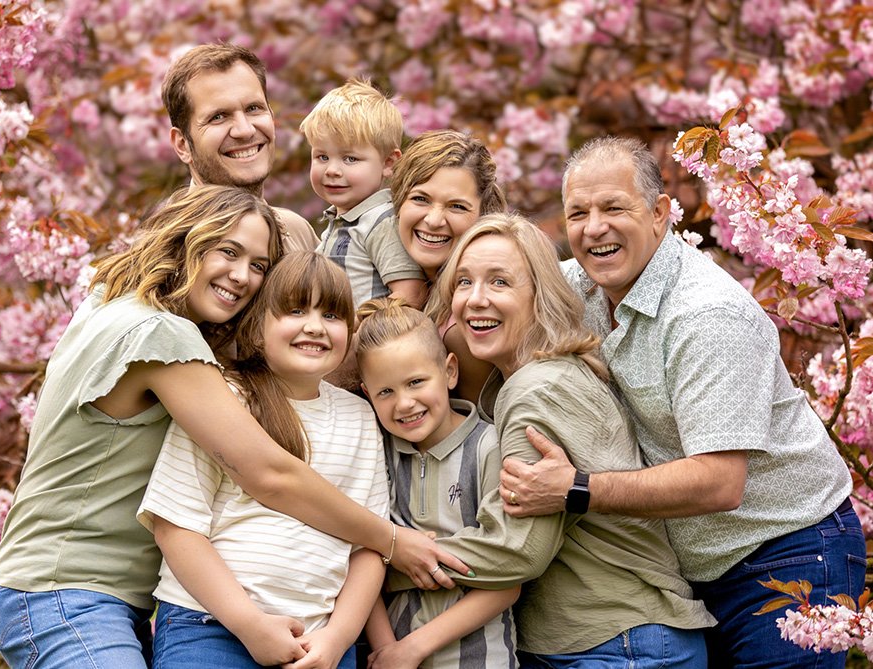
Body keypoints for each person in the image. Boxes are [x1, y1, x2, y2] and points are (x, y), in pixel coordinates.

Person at [0, 186, 462, 669]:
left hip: (86, 588)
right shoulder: (162, 334)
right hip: (64, 587)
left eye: (258, 265)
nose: (243, 277)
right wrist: (393, 541)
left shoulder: (109, 303)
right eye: (228, 252)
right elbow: (268, 473)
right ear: (186, 240)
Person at [500, 136, 865, 668]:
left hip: (786, 549)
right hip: (689, 568)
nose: (593, 227)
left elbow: (719, 482)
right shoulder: (578, 286)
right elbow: (491, 304)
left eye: (613, 207)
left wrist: (574, 489)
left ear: (660, 213)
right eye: (577, 212)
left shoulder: (706, 315)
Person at [406, 213, 716, 667]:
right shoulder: (538, 375)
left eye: (499, 283)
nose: (475, 300)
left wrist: (390, 558)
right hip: (608, 642)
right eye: (463, 283)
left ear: (540, 295)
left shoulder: (536, 388)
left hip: (618, 645)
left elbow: (518, 551)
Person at [139, 252, 387, 668]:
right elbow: (175, 526)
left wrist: (338, 638)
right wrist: (249, 624)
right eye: (295, 310)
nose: (314, 326)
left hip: (319, 640)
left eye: (331, 314)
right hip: (212, 627)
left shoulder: (359, 415)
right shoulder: (225, 399)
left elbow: (369, 547)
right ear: (258, 325)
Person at [355, 298, 519, 668]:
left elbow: (508, 578)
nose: (404, 404)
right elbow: (362, 555)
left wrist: (413, 649)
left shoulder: (488, 447)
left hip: (481, 658)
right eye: (386, 392)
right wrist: (389, 652)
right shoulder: (377, 453)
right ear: (367, 394)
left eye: (416, 382)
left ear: (449, 371)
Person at [161, 43, 319, 252]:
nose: (244, 130)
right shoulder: (167, 254)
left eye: (253, 109)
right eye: (218, 117)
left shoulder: (299, 234)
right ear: (182, 145)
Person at [390, 130, 507, 401]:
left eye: (456, 207)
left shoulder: (463, 326)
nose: (433, 220)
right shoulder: (403, 279)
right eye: (420, 199)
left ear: (483, 215)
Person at [299, 78, 425, 309]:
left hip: (371, 340)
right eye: (322, 157)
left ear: (388, 162)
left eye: (350, 159)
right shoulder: (340, 222)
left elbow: (411, 294)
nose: (332, 170)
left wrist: (356, 325)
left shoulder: (382, 223)